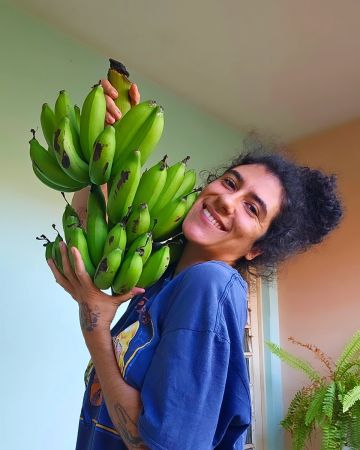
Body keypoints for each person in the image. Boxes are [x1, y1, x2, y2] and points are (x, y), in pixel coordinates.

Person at [47, 79, 343, 450]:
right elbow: (89, 228)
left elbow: (162, 444)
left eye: (252, 208)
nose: (227, 201)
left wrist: (97, 338)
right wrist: (109, 147)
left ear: (256, 249)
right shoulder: (160, 278)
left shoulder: (211, 285)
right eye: (230, 183)